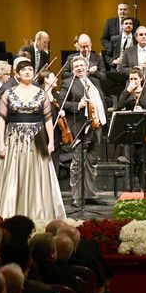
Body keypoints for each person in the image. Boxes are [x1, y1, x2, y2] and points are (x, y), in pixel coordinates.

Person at [0, 56, 64, 219]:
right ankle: (10, 211)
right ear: (17, 74)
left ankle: (38, 212)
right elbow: (1, 119)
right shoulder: (8, 93)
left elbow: (48, 119)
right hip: (14, 139)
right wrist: (1, 143)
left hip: (37, 139)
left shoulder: (41, 93)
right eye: (24, 70)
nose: (27, 72)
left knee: (37, 175)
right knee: (12, 174)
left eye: (30, 69)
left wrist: (51, 141)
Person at [60, 56, 106, 207]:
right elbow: (61, 103)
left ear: (87, 67)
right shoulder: (68, 83)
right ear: (72, 70)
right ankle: (76, 196)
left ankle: (90, 194)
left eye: (82, 65)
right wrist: (77, 105)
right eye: (76, 66)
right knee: (77, 163)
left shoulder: (95, 82)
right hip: (80, 127)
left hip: (97, 125)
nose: (79, 68)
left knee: (92, 162)